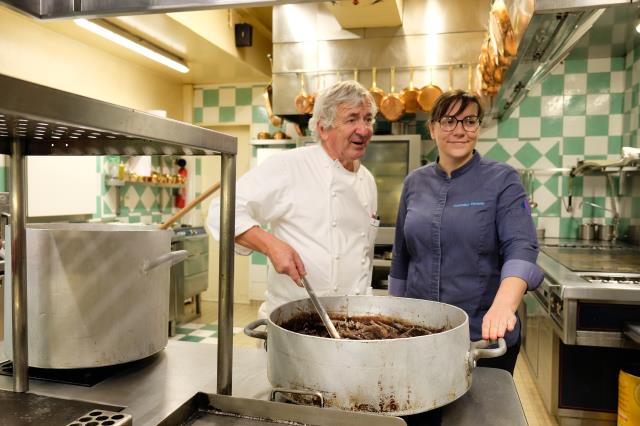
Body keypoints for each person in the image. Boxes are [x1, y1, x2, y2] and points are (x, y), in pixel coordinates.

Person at [389, 90, 543, 374]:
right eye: (449, 121)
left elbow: (521, 247)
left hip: (480, 336)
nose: (459, 130)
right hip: (418, 335)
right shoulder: (414, 183)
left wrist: (503, 307)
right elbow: (401, 259)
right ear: (432, 128)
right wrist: (393, 317)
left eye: (469, 121)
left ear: (478, 127)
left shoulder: (502, 179)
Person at [207, 80, 379, 319]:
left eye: (368, 119)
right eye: (352, 119)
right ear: (323, 128)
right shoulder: (290, 166)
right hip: (294, 320)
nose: (364, 129)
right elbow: (222, 211)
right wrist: (271, 245)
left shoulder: (367, 180)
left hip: (353, 322)